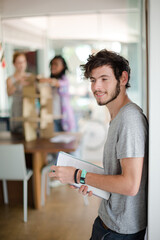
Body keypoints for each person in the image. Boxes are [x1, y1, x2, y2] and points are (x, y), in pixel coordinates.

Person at [49, 49, 148, 240]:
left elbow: (130, 185)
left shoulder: (130, 119)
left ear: (123, 78)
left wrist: (78, 174)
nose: (97, 87)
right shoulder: (118, 117)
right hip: (109, 222)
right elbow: (119, 176)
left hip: (118, 231)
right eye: (93, 80)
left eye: (104, 79)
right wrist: (86, 180)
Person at [39, 55, 75, 132]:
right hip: (51, 117)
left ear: (63, 66)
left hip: (63, 117)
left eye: (56, 64)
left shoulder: (64, 80)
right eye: (52, 64)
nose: (53, 66)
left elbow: (56, 83)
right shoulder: (48, 82)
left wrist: (42, 79)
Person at [6, 52, 33, 134]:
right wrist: (18, 83)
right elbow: (9, 93)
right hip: (16, 110)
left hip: (29, 109)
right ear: (14, 64)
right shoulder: (10, 79)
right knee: (16, 134)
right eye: (19, 62)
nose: (21, 65)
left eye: (23, 62)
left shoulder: (30, 77)